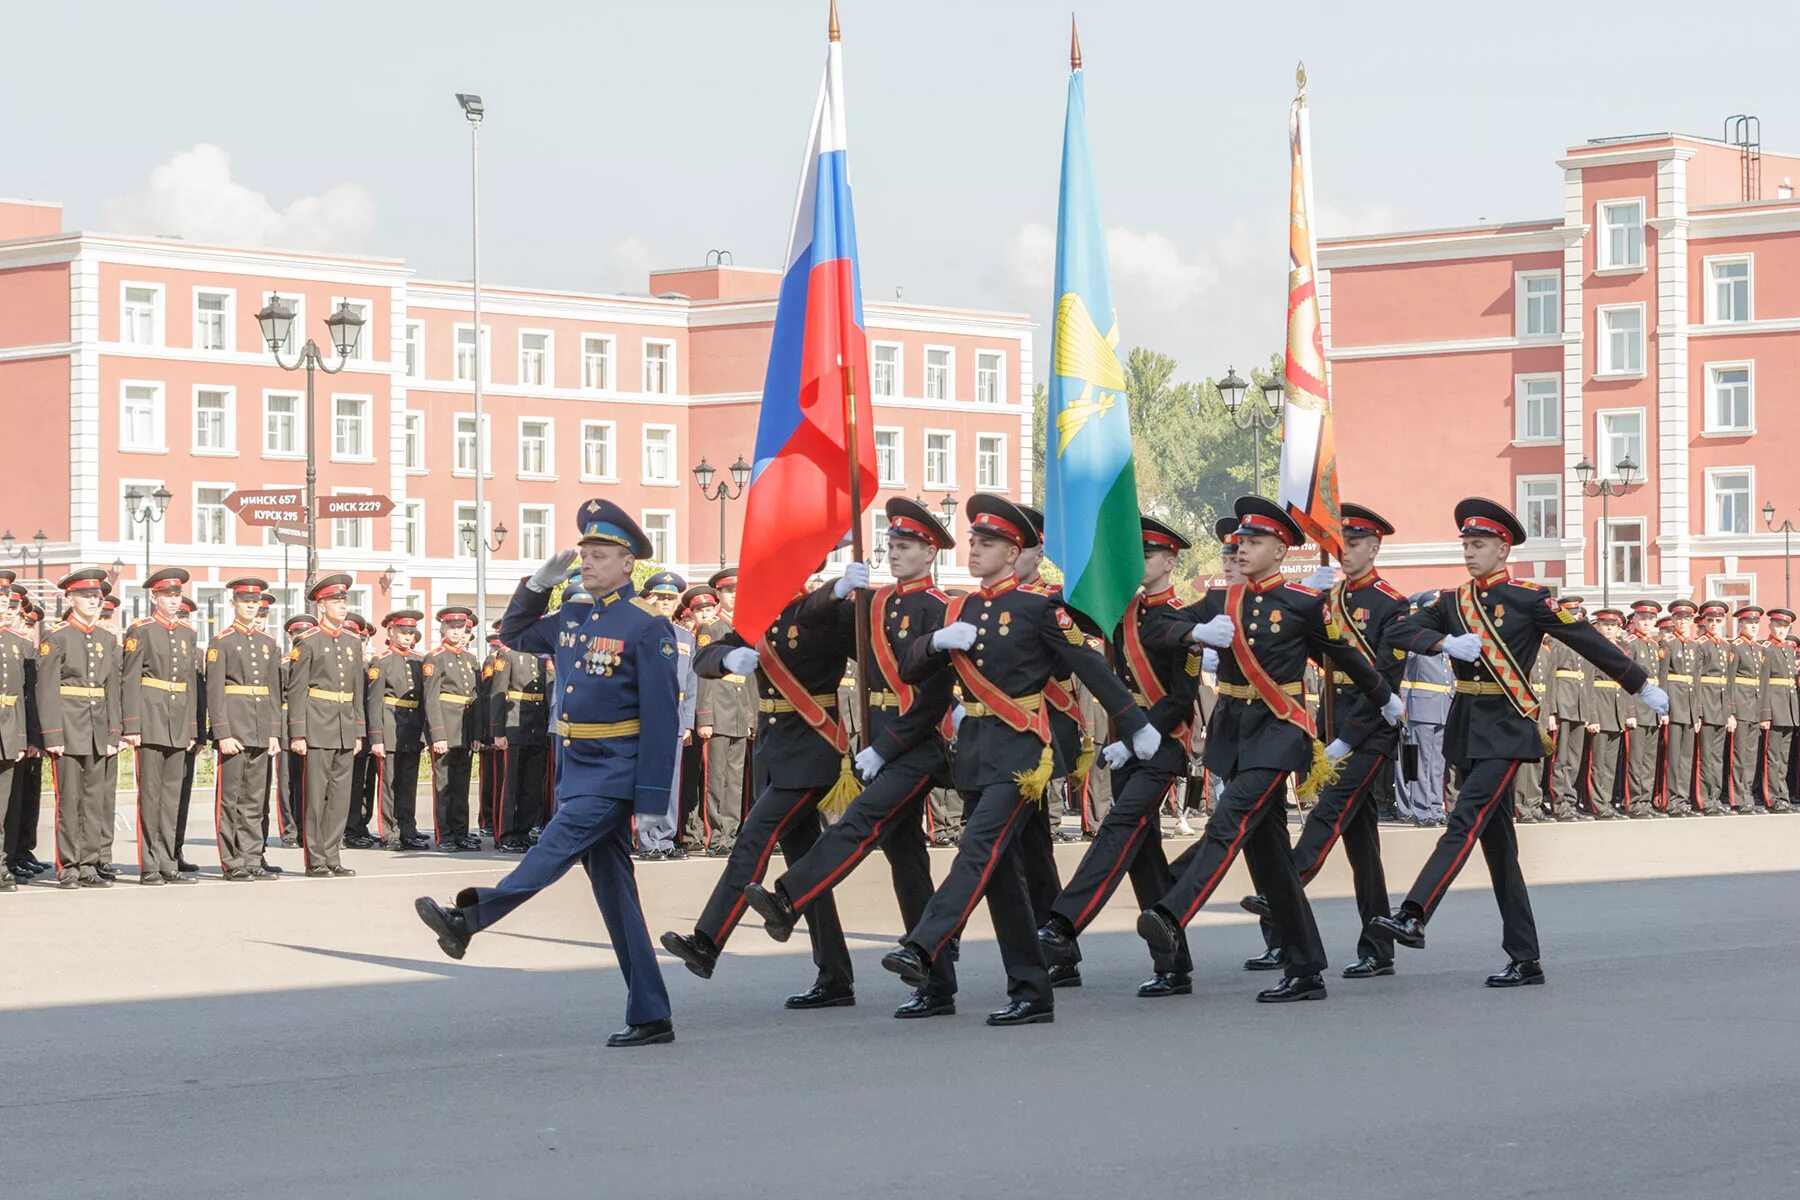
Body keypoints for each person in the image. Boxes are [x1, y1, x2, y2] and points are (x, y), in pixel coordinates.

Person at [414, 499, 680, 1048]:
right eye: (583, 553)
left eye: (600, 555)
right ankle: (651, 1013)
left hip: (615, 772)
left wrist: (653, 796)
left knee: (548, 852)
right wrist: (537, 585)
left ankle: (471, 920)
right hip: (576, 769)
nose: (587, 562)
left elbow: (661, 717)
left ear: (629, 564)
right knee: (618, 899)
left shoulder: (646, 628)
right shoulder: (576, 617)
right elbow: (512, 633)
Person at [1369, 498, 1667, 985]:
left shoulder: (1529, 598)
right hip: (1468, 726)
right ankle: (1525, 957)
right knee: (1499, 848)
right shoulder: (1452, 603)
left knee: (1463, 821)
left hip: (1507, 728)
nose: (1469, 552)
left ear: (1503, 548)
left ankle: (1414, 912)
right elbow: (1400, 629)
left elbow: (1586, 639)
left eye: (1479, 544)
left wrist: (1639, 683)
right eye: (1465, 544)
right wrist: (1444, 643)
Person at [879, 494, 1152, 1026]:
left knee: (975, 851)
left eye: (988, 543)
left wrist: (1136, 725)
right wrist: (934, 641)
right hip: (976, 752)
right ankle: (1031, 991)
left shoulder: (1037, 609)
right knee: (1003, 877)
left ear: (1014, 553)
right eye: (975, 541)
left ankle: (925, 944)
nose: (976, 549)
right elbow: (910, 672)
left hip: (1023, 755)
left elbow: (1091, 669)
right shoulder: (958, 608)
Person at [1134, 498, 1399, 1003]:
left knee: (1229, 817)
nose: (1242, 548)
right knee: (1272, 855)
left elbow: (1344, 655)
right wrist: (1193, 631)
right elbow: (1156, 628)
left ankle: (1172, 911)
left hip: (1280, 733)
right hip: (1235, 733)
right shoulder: (1220, 600)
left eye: (1254, 542)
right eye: (1240, 542)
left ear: (1280, 550)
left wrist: (1384, 697)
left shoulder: (1301, 603)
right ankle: (1305, 969)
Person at [740, 498, 961, 1018]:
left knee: (859, 823)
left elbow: (931, 698)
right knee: (907, 864)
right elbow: (816, 623)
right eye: (890, 544)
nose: (893, 553)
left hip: (916, 744)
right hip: (879, 743)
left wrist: (883, 749)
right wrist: (836, 588)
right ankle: (935, 974)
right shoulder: (877, 602)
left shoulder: (941, 608)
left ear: (930, 552)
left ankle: (789, 897)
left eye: (904, 546)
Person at [660, 549, 868, 1009]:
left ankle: (707, 941)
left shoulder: (827, 613)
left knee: (752, 840)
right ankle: (834, 975)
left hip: (813, 749)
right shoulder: (762, 618)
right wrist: (729, 657)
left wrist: (856, 599)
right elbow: (705, 657)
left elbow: (872, 656)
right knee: (806, 873)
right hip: (775, 752)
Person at [1236, 503, 1409, 979]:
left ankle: (1285, 887)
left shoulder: (1391, 603)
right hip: (1331, 726)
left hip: (1369, 731)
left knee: (1329, 809)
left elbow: (1385, 681)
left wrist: (1347, 740)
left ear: (1374, 548)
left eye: (1354, 543)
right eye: (1340, 542)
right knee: (1362, 846)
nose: (1345, 551)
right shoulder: (1325, 597)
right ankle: (1378, 946)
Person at [1036, 515, 1200, 997]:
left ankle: (1064, 924)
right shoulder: (1119, 610)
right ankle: (1174, 965)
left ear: (1170, 561)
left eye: (1148, 555)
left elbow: (1181, 696)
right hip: (1126, 746)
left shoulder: (1184, 619)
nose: (1140, 563)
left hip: (1162, 744)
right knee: (1144, 859)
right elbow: (1064, 611)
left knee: (1118, 827)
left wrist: (1137, 734)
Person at [37, 568, 124, 889]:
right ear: (70, 598)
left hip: (99, 727)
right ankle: (69, 865)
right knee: (70, 800)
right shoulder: (57, 636)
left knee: (94, 800)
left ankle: (90, 863)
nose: (93, 602)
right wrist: (53, 734)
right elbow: (46, 690)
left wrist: (115, 732)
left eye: (97, 597)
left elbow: (113, 690)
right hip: (69, 728)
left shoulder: (106, 638)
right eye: (86, 596)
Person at [120, 567, 202, 885]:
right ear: (154, 596)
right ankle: (149, 863)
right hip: (151, 719)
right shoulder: (141, 630)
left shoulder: (188, 634)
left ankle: (169, 860)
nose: (173, 600)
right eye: (167, 595)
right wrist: (132, 725)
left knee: (172, 797)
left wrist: (194, 727)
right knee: (151, 795)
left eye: (177, 595)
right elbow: (130, 680)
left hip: (178, 721)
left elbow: (191, 685)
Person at [286, 574, 365, 878]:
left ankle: (333, 854)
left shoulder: (351, 642)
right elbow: (297, 690)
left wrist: (358, 730)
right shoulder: (307, 642)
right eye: (336, 601)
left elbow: (357, 689)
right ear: (321, 606)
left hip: (345, 724)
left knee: (341, 796)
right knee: (316, 795)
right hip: (317, 725)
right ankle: (315, 858)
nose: (343, 606)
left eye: (344, 601)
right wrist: (298, 732)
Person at [206, 578, 284, 880]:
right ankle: (232, 860)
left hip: (261, 727)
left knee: (255, 798)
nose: (251, 607)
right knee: (231, 799)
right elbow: (215, 692)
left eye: (255, 602)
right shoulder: (222, 642)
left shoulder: (269, 644)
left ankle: (252, 858)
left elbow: (275, 692)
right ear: (233, 604)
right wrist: (222, 733)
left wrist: (274, 732)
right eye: (245, 601)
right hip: (235, 728)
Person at [632, 570, 693, 860]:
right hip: (646, 712)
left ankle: (666, 839)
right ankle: (647, 840)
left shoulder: (685, 637)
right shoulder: (639, 632)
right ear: (652, 598)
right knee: (648, 780)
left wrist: (690, 721)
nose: (668, 602)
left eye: (672, 597)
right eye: (663, 597)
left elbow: (691, 682)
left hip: (676, 714)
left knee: (671, 781)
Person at [693, 566, 753, 856]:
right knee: (716, 779)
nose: (734, 596)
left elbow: (750, 674)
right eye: (729, 591)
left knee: (736, 778)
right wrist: (704, 717)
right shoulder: (710, 627)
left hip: (740, 711)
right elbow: (703, 674)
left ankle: (731, 832)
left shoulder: (745, 626)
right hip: (717, 711)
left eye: (738, 592)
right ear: (719, 594)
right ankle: (716, 837)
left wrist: (752, 716)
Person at [366, 609, 431, 850]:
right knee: (389, 784)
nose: (407, 637)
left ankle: (408, 829)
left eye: (411, 633)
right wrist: (376, 737)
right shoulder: (381, 662)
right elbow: (374, 702)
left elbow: (426, 699)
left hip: (412, 729)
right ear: (391, 631)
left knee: (408, 784)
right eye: (403, 632)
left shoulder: (419, 660)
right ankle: (390, 833)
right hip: (390, 727)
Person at [425, 607, 482, 852]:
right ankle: (445, 835)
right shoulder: (435, 658)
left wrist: (478, 734)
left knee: (461, 786)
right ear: (443, 629)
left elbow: (476, 699)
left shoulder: (470, 660)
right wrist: (437, 734)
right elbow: (431, 699)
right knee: (444, 786)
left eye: (461, 628)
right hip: (446, 729)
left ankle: (461, 832)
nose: (457, 633)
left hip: (465, 729)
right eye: (452, 628)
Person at [0, 581, 38, 893]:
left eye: (7, 601)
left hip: (9, 729)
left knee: (5, 805)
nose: (5, 606)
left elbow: (25, 695)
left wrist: (25, 737)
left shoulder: (15, 642)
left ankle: (3, 864)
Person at [1546, 596, 1593, 820]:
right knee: (1561, 758)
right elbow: (1549, 678)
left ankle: (1571, 801)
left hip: (1578, 704)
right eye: (1569, 614)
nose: (1574, 618)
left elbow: (1588, 679)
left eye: (1576, 615)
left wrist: (1588, 710)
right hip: (1563, 703)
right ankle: (1560, 803)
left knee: (1574, 758)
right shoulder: (1555, 642)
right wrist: (1551, 710)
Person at [274, 613, 316, 848]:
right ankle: (290, 831)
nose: (300, 637)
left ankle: (306, 830)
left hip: (312, 722)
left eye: (304, 633)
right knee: (287, 781)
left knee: (309, 781)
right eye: (296, 633)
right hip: (285, 722)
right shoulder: (282, 665)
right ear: (290, 637)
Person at [1619, 601, 1664, 818]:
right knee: (1635, 760)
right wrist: (1629, 711)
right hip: (1637, 707)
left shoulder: (1654, 645)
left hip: (1653, 709)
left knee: (1648, 760)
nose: (1646, 622)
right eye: (1642, 618)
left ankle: (1645, 801)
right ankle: (1634, 803)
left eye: (1650, 619)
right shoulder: (1630, 643)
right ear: (1634, 619)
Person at [1660, 600, 1702, 817]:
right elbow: (1663, 679)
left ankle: (1683, 800)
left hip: (1689, 708)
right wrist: (1664, 709)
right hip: (1674, 707)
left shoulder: (1696, 647)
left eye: (1686, 619)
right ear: (1673, 621)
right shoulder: (1667, 645)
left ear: (1691, 621)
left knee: (1686, 757)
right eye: (1678, 619)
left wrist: (1697, 712)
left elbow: (1696, 682)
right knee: (1673, 758)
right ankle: (1672, 801)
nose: (1682, 622)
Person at [1693, 600, 1734, 816]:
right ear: (1705, 622)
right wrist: (1698, 711)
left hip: (1720, 706)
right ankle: (1704, 799)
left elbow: (1728, 682)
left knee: (1717, 757)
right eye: (1710, 620)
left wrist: (1729, 713)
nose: (1715, 624)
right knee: (1706, 756)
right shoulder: (1699, 645)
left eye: (1718, 620)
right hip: (1706, 705)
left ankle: (1715, 798)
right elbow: (1696, 680)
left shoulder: (1727, 646)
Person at [1728, 605, 1767, 813]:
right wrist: (1731, 711)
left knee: (1751, 756)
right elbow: (1730, 681)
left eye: (1755, 623)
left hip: (1753, 706)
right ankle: (1738, 798)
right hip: (1741, 707)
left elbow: (1760, 682)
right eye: (1749, 623)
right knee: (1740, 754)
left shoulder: (1759, 649)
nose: (1753, 626)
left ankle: (1748, 796)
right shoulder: (1736, 647)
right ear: (1740, 625)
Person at [1761, 608, 1798, 814]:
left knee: (1783, 757)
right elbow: (1764, 684)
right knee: (1773, 757)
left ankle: (1783, 795)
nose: (1782, 630)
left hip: (1789, 709)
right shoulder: (1766, 649)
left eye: (1785, 627)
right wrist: (1765, 713)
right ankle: (1773, 798)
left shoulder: (1789, 650)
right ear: (1770, 626)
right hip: (1775, 709)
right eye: (1778, 626)